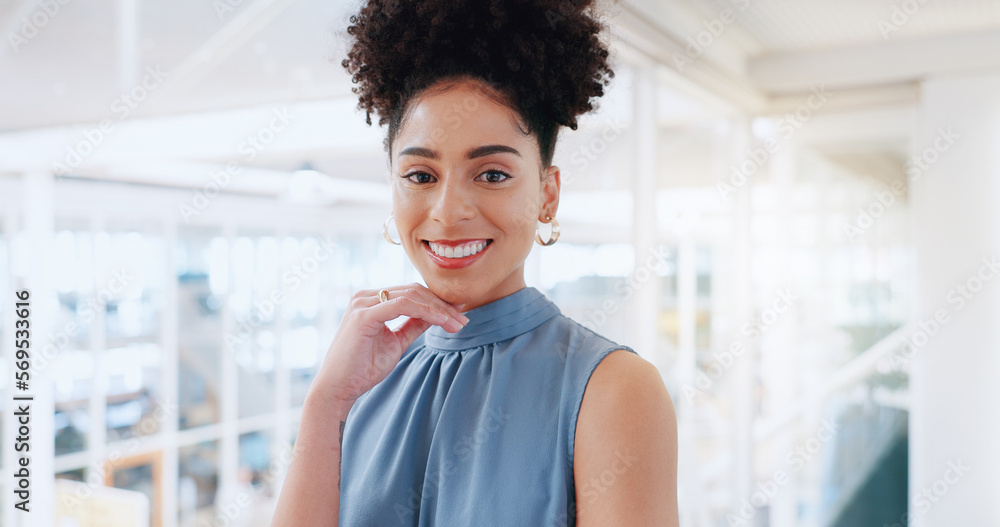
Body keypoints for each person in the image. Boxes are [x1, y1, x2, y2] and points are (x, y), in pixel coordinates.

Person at [271, 0, 678, 525]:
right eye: (421, 176)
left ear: (547, 195)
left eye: (491, 174)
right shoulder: (363, 383)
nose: (448, 213)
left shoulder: (613, 390)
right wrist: (325, 402)